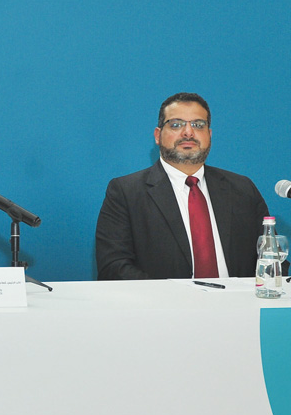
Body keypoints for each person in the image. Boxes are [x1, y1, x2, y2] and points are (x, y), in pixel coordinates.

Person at [96, 92, 269, 280]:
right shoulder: (126, 192)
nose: (188, 132)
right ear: (158, 135)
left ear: (209, 135)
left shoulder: (242, 189)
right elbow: (113, 267)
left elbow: (271, 258)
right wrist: (173, 295)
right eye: (176, 125)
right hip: (162, 299)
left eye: (198, 125)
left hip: (238, 298)